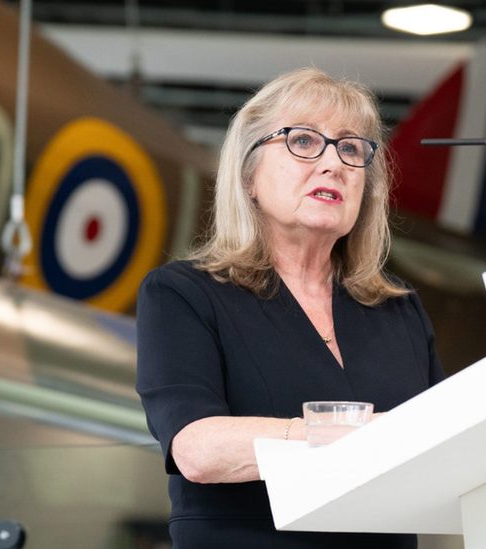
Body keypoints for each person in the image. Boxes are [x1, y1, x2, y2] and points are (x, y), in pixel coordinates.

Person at [136, 67, 445, 549]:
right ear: (249, 175)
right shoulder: (183, 294)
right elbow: (196, 448)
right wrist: (355, 432)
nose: (334, 164)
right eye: (303, 141)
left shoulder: (398, 311)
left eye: (350, 148)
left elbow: (446, 447)